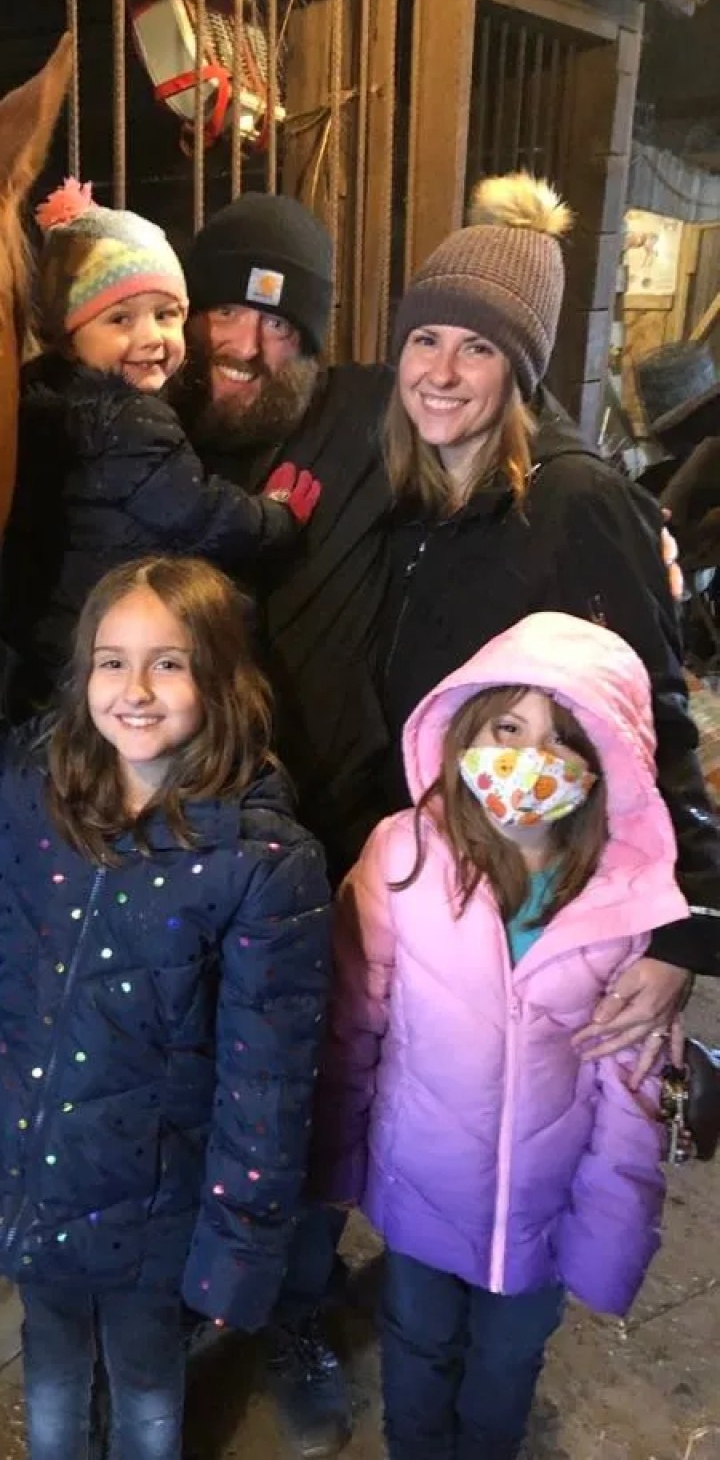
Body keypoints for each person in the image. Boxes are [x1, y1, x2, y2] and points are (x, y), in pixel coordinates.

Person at [0, 555, 332, 1460]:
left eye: (169, 663)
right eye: (111, 659)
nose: (135, 688)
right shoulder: (31, 788)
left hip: (153, 1219)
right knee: (49, 1359)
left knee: (144, 1385)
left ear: (222, 678)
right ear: (82, 672)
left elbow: (268, 1088)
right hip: (32, 1178)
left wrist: (237, 1249)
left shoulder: (261, 864)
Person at [378, 171, 720, 1098]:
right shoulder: (418, 498)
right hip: (445, 890)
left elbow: (657, 710)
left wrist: (686, 936)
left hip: (545, 902)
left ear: (520, 372)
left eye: (478, 348)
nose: (440, 373)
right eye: (425, 339)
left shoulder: (580, 504)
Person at [322, 611, 685, 1459]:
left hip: (545, 1215)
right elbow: (354, 1022)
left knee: (510, 1361)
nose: (530, 757)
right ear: (466, 735)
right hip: (419, 1191)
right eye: (509, 726)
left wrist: (611, 1231)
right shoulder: (400, 861)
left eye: (564, 739)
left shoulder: (624, 904)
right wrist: (332, 1153)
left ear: (604, 769)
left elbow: (628, 1091)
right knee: (415, 1342)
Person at [177, 192, 393, 1455]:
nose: (245, 346)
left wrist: (604, 500)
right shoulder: (153, 428)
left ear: (312, 338)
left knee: (309, 1100)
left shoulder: (370, 413)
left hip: (333, 844)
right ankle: (179, 1317)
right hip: (182, 845)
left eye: (277, 324)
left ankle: (301, 1309)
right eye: (225, 311)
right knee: (182, 1089)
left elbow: (501, 413)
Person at [0, 179, 319, 714]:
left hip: (51, 651)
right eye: (120, 319)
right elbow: (197, 513)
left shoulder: (40, 403)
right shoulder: (129, 417)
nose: (150, 337)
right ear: (67, 335)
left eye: (166, 315)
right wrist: (276, 517)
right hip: (116, 656)